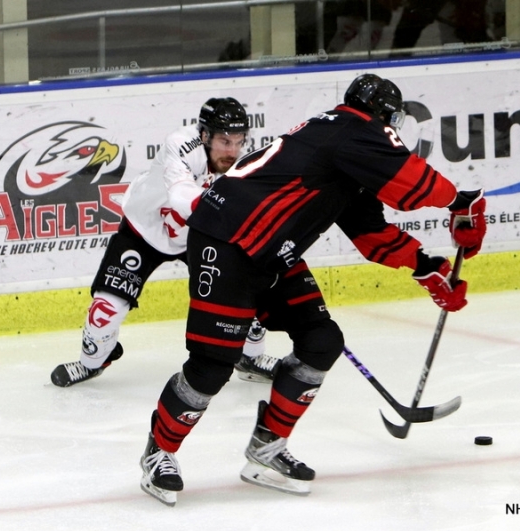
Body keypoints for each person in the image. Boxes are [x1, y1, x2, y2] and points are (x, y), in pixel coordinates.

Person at [138, 73, 487, 506]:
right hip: (225, 241)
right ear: (382, 116)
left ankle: (267, 448)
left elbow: (370, 233)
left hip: (269, 252)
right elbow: (413, 185)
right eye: (391, 122)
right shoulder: (352, 129)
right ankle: (160, 452)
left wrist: (426, 267)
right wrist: (460, 202)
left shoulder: (349, 154)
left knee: (322, 342)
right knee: (213, 365)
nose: (393, 132)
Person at [49, 97, 281, 387]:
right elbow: (181, 197)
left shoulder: (244, 161)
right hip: (143, 230)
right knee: (105, 310)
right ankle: (92, 362)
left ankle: (251, 357)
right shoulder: (181, 145)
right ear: (205, 135)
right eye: (224, 141)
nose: (232, 151)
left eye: (238, 141)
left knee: (247, 288)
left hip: (196, 237)